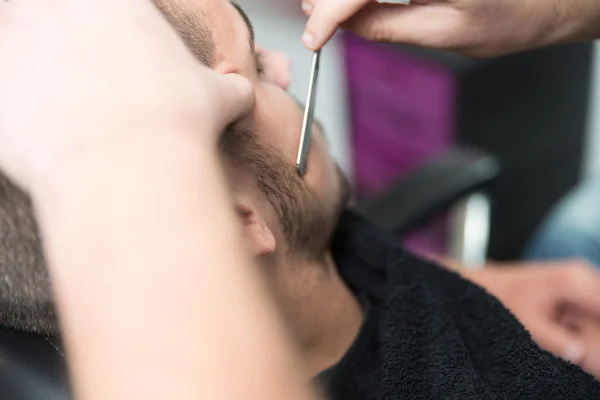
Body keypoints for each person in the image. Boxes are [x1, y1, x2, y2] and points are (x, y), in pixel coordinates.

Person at [1, 1, 600, 400]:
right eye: (256, 71)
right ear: (234, 226)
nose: (284, 64)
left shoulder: (299, 234)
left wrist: (475, 285)